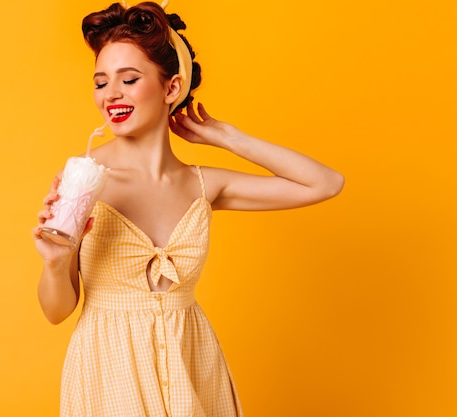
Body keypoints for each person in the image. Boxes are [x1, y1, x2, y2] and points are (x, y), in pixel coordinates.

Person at [32, 1, 344, 416]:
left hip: (193, 367)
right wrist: (55, 262)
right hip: (109, 374)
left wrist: (228, 138)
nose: (111, 95)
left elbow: (326, 183)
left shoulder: (203, 185)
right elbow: (57, 312)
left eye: (129, 79)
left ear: (171, 88)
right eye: (101, 82)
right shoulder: (86, 182)